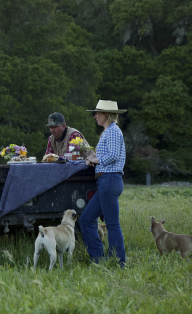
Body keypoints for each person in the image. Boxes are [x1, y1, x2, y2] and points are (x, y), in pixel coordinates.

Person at [79, 100, 127, 268]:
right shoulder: (108, 131)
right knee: (85, 219)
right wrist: (94, 161)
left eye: (97, 113)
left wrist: (94, 159)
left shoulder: (113, 131)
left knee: (112, 224)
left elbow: (113, 155)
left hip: (110, 179)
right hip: (106, 181)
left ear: (106, 114)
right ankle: (99, 259)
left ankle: (119, 262)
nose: (95, 116)